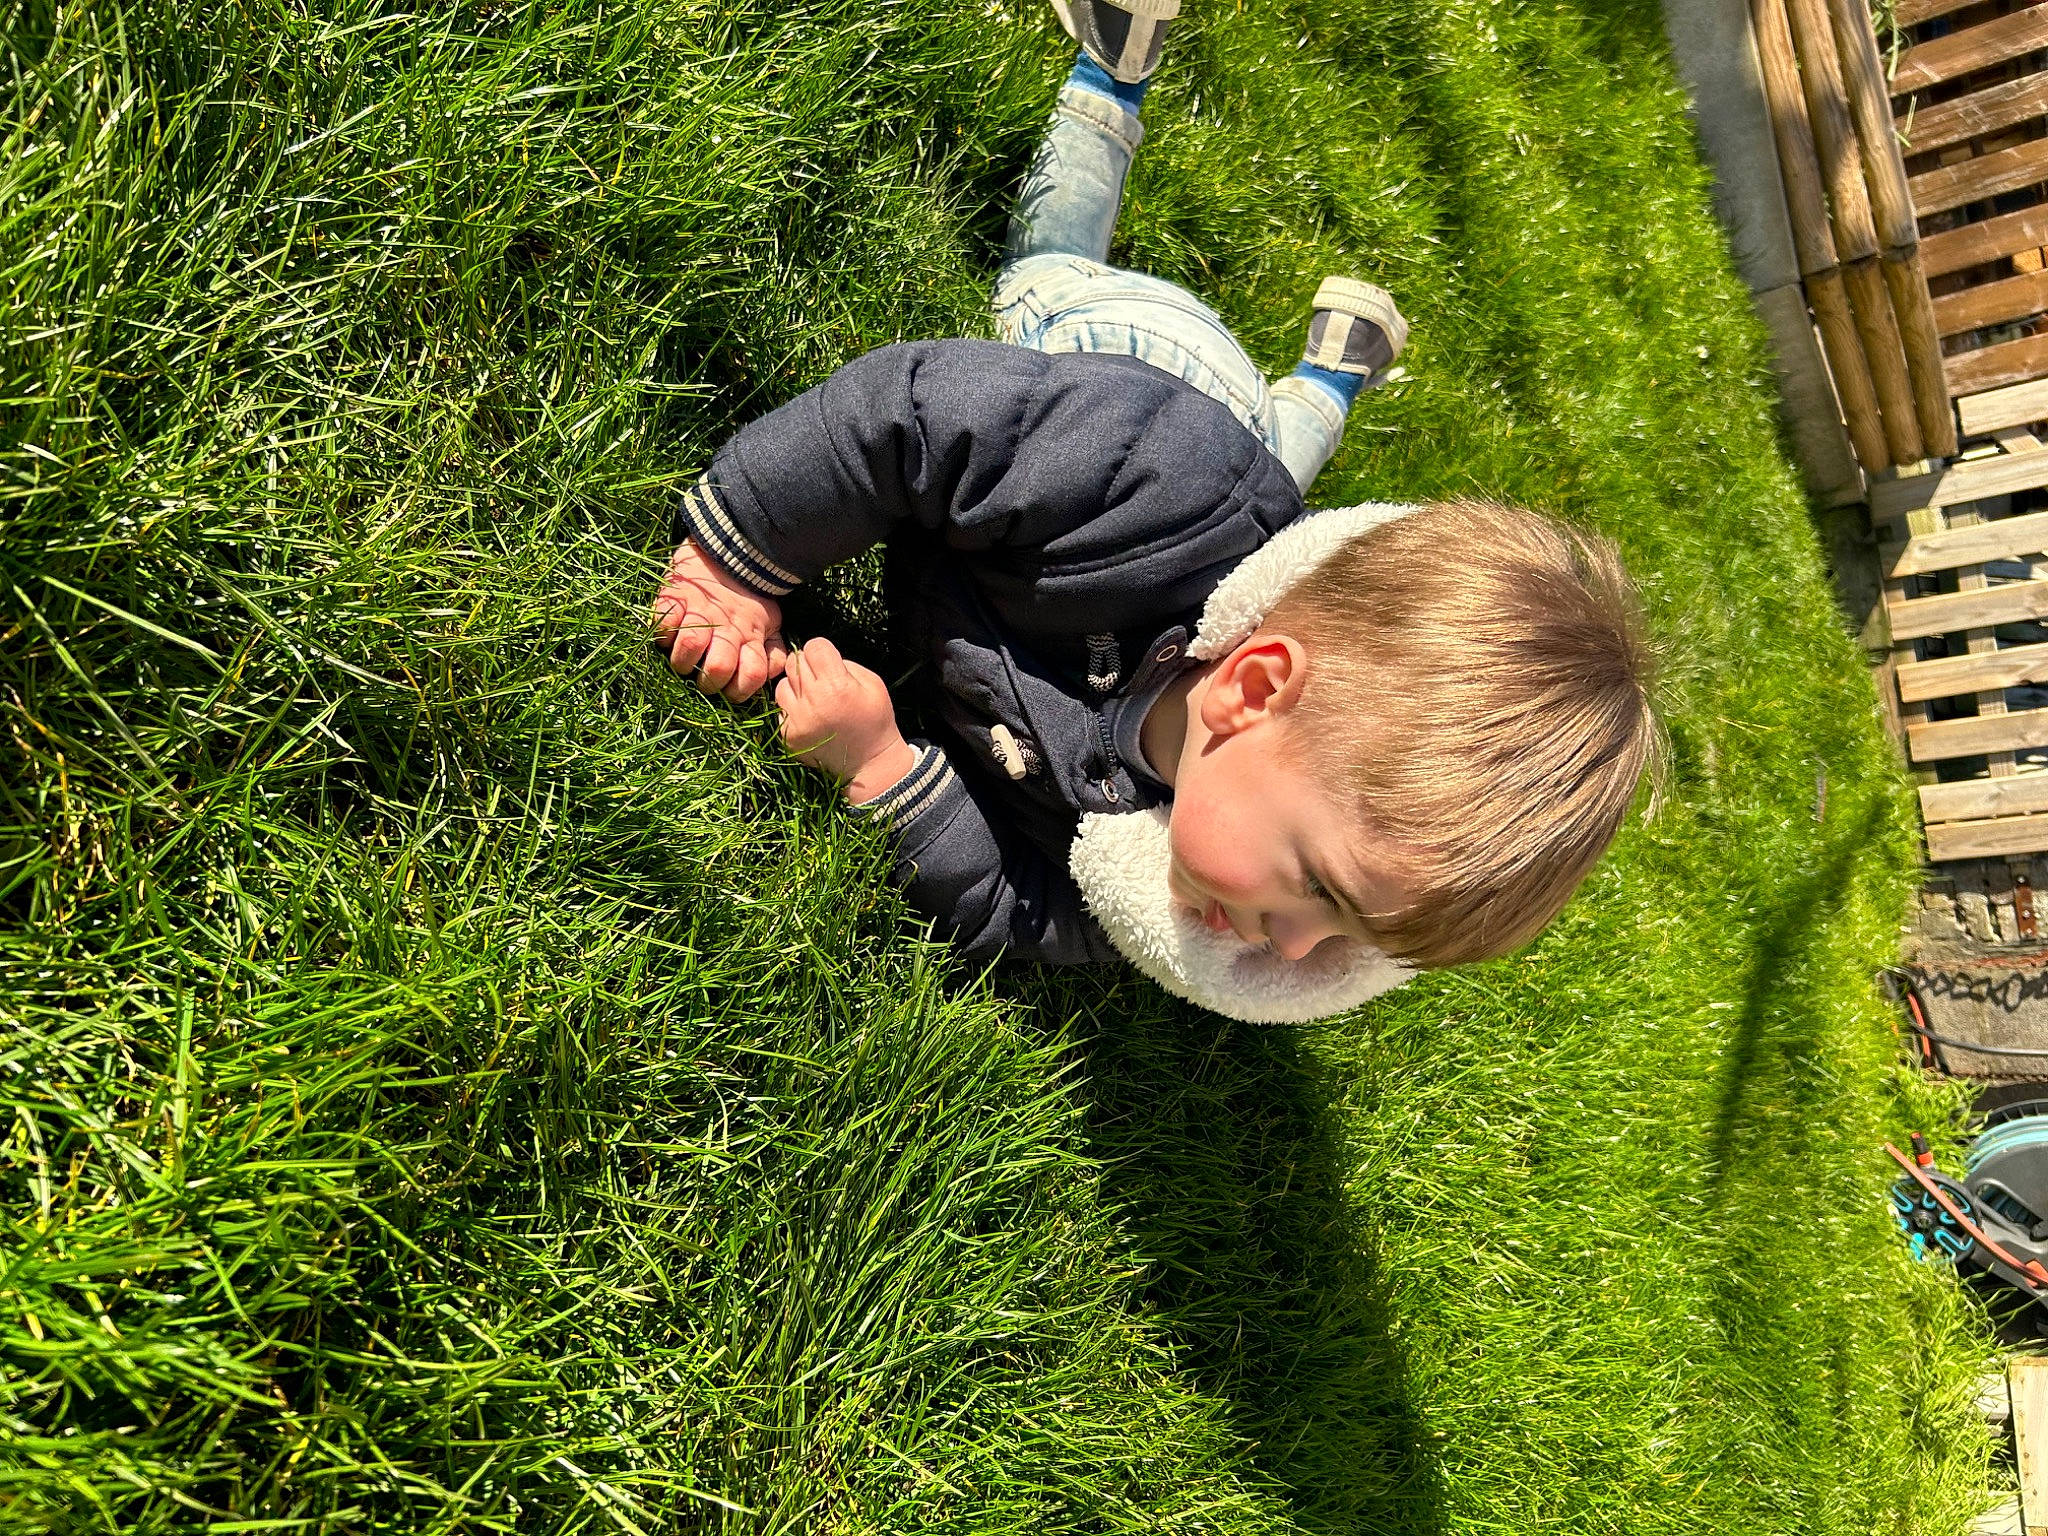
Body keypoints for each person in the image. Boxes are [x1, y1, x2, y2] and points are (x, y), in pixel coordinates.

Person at [651, 0, 1656, 1022]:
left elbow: (1026, 909)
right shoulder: (1131, 480)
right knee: (1042, 265)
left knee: (1281, 455)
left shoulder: (1152, 870)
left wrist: (883, 765)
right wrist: (742, 558)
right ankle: (1110, 76)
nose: (1297, 950)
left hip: (1247, 468)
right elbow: (905, 421)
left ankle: (1334, 373)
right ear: (1253, 689)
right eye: (1317, 888)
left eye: (1347, 941)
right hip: (1127, 360)